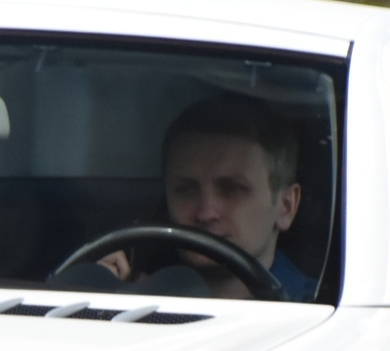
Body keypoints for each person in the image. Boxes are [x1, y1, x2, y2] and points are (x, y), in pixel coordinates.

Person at [99, 94, 317, 301]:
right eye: (186, 189)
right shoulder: (135, 295)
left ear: (286, 206)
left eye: (232, 189)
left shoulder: (325, 315)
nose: (205, 213)